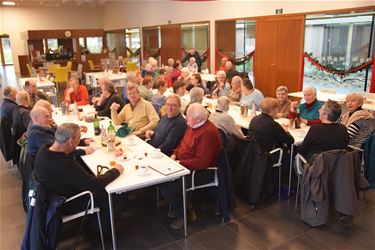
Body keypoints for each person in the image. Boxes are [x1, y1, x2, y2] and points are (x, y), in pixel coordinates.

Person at [33, 123, 123, 225]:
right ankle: (95, 231)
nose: (78, 141)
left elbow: (62, 154)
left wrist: (81, 151)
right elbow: (94, 184)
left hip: (51, 197)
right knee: (116, 195)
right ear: (70, 141)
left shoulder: (44, 150)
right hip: (66, 203)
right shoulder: (64, 164)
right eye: (79, 138)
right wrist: (115, 171)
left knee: (89, 172)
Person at [160, 103, 221, 230]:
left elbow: (202, 163)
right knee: (162, 180)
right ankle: (181, 207)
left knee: (168, 189)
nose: (185, 118)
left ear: (198, 118)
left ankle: (184, 216)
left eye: (188, 116)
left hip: (201, 172)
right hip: (185, 165)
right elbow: (183, 144)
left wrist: (180, 163)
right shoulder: (193, 125)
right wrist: (175, 155)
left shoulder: (208, 133)